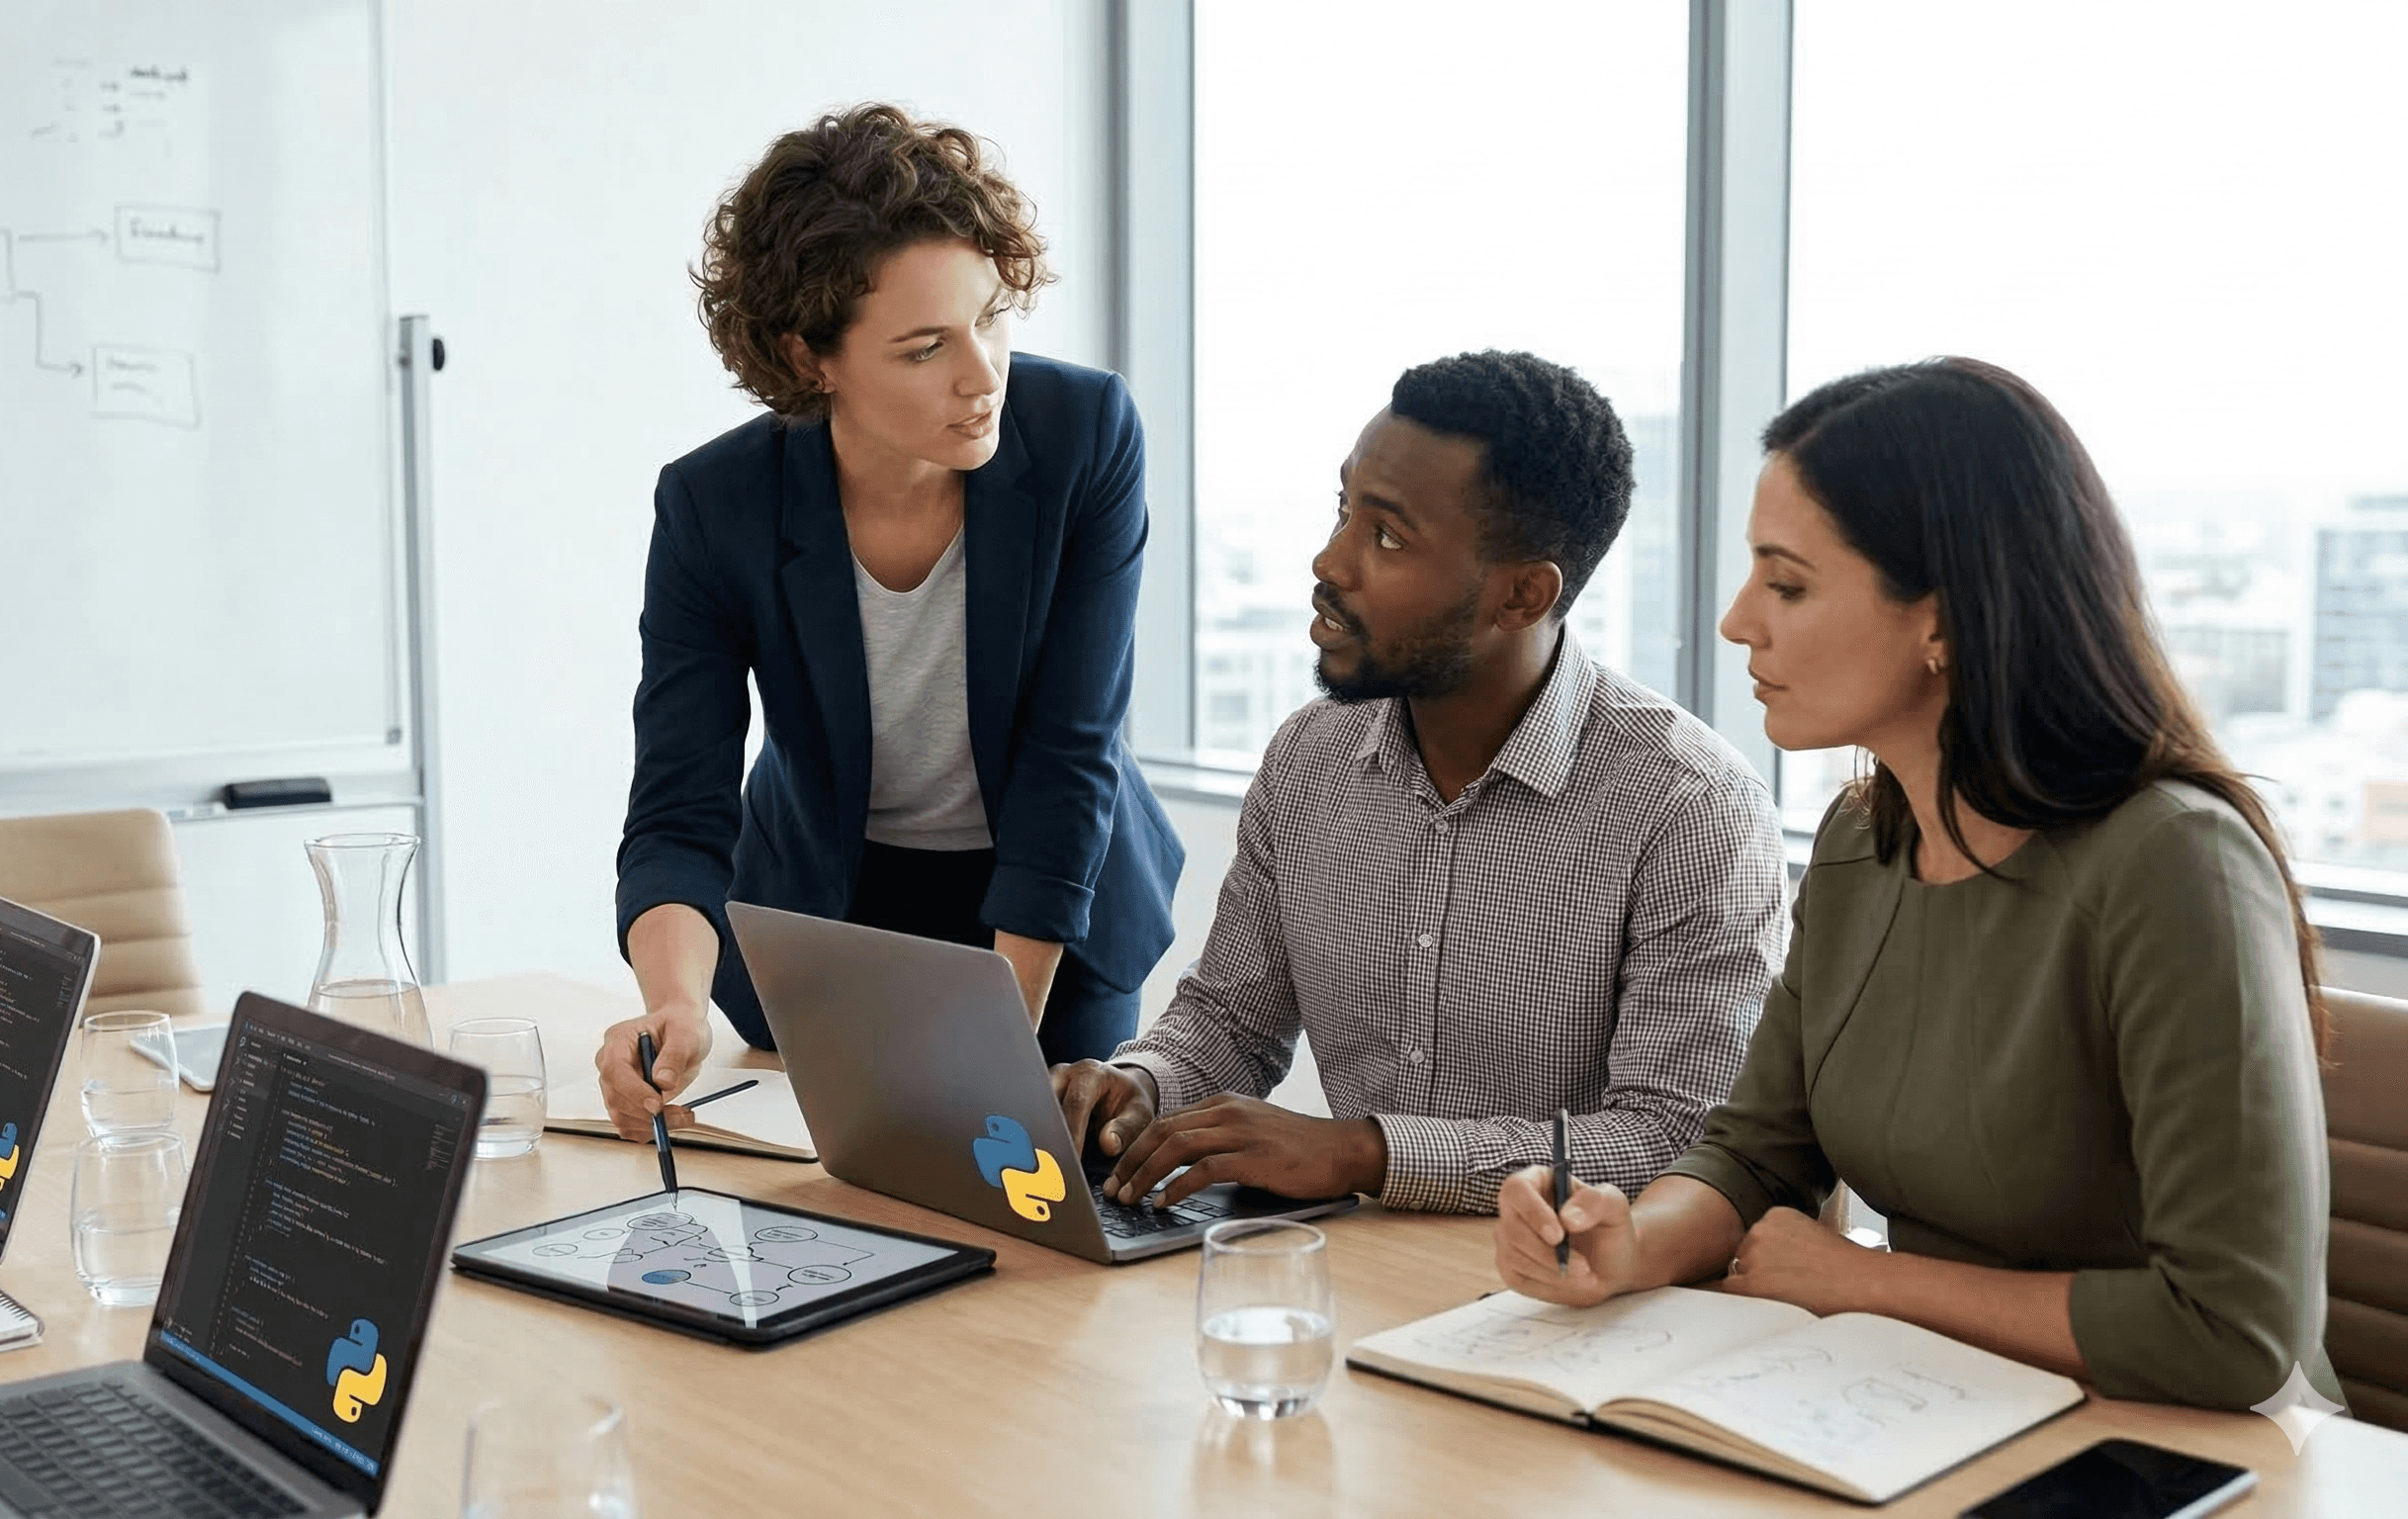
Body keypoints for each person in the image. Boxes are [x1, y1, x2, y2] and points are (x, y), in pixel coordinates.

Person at [1494, 357, 2342, 1413]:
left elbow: (2230, 1330)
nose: (1736, 621)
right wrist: (1628, 1242)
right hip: (1928, 1408)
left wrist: (1865, 1283)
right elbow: (1757, 1154)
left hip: (2186, 1450)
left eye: (1787, 582)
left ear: (1940, 619)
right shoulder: (1860, 845)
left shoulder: (2172, 865)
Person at [1050, 351, 1786, 1214]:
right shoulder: (1307, 759)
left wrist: (1368, 1153)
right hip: (1368, 1274)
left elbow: (1675, 1140)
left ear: (1521, 597)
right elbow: (1229, 1023)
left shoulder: (1691, 807)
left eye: (1387, 537)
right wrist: (1144, 1084)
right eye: (1343, 511)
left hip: (1588, 1305)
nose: (1330, 562)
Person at [600, 105, 1182, 1134]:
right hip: (831, 917)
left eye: (993, 316)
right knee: (845, 1221)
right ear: (808, 355)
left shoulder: (1084, 434)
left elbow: (1069, 749)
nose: (981, 373)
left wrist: (994, 1042)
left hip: (1050, 905)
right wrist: (672, 1002)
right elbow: (680, 809)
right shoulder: (714, 505)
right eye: (923, 348)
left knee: (1053, 1217)